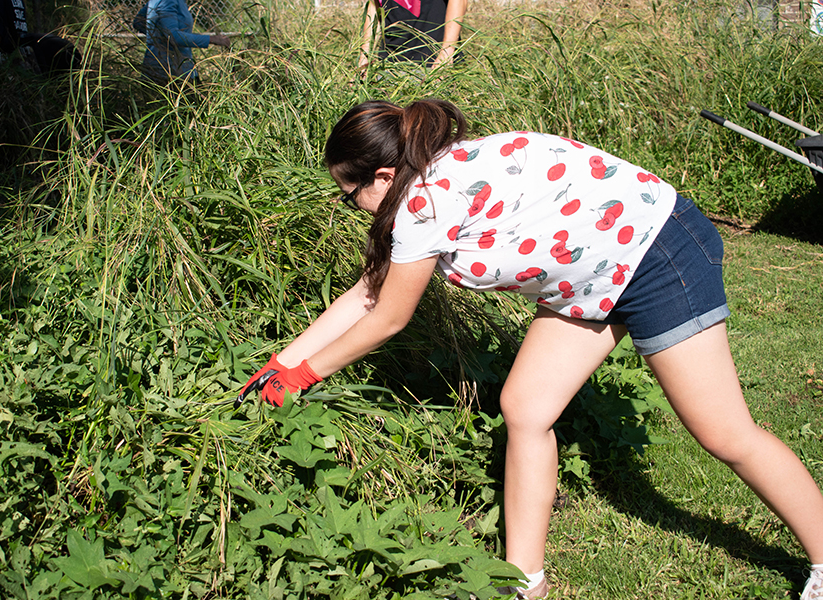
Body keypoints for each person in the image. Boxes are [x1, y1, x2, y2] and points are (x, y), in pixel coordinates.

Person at [236, 98, 823, 599]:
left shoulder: (425, 203)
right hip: (597, 271)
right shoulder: (437, 171)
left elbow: (388, 316)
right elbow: (369, 290)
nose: (351, 208)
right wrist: (282, 364)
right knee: (526, 409)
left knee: (724, 433)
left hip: (654, 255)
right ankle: (524, 579)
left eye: (349, 195)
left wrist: (304, 375)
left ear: (383, 177)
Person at [133, 0, 230, 84]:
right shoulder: (168, 1)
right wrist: (212, 39)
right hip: (170, 73)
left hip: (172, 68)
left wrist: (157, 36)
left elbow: (138, 22)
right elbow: (174, 37)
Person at [358, 0, 467, 70]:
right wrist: (364, 58)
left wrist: (446, 53)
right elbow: (375, 7)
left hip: (433, 60)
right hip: (390, 63)